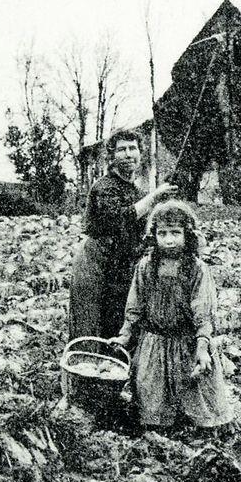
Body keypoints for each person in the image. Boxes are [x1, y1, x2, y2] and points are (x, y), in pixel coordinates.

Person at [110, 201, 241, 432]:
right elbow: (134, 306)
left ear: (187, 235)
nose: (169, 240)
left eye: (175, 233)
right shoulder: (145, 267)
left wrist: (202, 347)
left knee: (198, 403)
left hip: (187, 343)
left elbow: (203, 312)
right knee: (152, 403)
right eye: (162, 233)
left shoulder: (197, 269)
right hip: (154, 344)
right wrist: (125, 336)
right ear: (154, 236)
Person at [67, 129, 174, 345]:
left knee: (122, 322)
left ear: (140, 153)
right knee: (92, 325)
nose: (128, 154)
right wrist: (155, 197)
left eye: (132, 148)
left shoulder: (135, 191)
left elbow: (138, 232)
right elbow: (118, 220)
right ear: (112, 157)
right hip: (96, 265)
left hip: (122, 264)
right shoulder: (104, 187)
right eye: (121, 150)